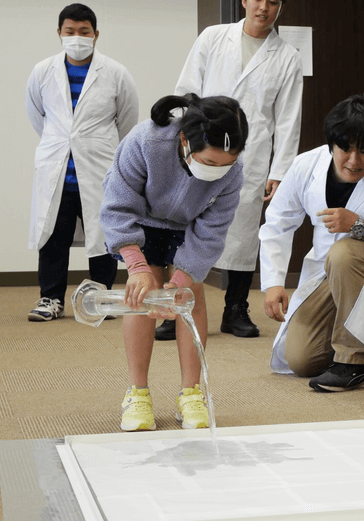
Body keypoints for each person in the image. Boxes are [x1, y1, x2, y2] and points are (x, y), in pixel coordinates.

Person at [155, 0, 303, 341]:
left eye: (274, 1)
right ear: (244, 1)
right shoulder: (213, 37)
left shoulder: (287, 57)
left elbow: (289, 119)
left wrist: (280, 170)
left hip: (250, 154)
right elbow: (185, 90)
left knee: (244, 229)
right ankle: (175, 307)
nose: (264, 7)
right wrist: (178, 142)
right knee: (186, 226)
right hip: (201, 148)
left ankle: (235, 308)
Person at [100, 94, 248, 431]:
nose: (216, 173)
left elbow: (212, 232)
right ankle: (137, 393)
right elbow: (118, 206)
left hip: (191, 224)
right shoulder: (146, 141)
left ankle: (191, 393)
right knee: (142, 294)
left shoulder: (232, 171)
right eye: (208, 164)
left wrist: (181, 280)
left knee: (189, 295)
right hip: (144, 219)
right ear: (184, 141)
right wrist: (137, 267)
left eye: (224, 165)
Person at [260, 95, 364, 392]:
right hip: (326, 273)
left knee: (345, 252)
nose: (354, 161)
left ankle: (356, 363)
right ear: (331, 146)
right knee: (301, 361)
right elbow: (277, 223)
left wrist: (360, 226)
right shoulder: (305, 166)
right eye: (345, 149)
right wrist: (273, 282)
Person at [25, 3, 139, 321]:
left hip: (99, 169)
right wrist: (64, 142)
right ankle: (50, 299)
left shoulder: (116, 73)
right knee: (53, 235)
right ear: (59, 33)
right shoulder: (42, 71)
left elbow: (127, 123)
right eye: (70, 31)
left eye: (84, 32)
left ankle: (101, 295)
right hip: (57, 172)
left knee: (103, 234)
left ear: (96, 34)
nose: (77, 37)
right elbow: (39, 117)